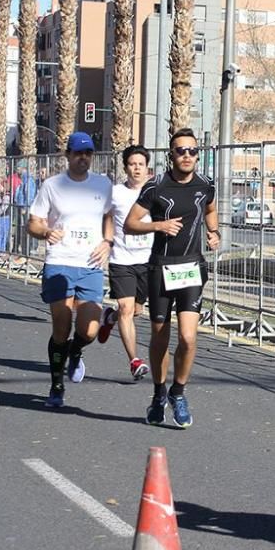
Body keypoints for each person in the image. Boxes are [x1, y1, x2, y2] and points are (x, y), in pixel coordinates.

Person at [125, 128, 219, 428]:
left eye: (192, 151)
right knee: (160, 338)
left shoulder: (206, 186)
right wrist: (159, 227)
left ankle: (178, 392)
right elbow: (130, 224)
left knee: (189, 338)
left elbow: (210, 209)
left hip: (191, 268)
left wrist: (214, 232)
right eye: (181, 151)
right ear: (171, 154)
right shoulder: (156, 187)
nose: (187, 156)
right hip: (160, 268)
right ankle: (158, 393)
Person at [27, 132, 114, 408]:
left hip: (90, 265)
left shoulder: (103, 184)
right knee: (61, 329)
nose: (83, 158)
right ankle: (56, 384)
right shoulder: (53, 185)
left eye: (88, 153)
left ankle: (76, 353)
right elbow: (34, 222)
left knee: (88, 330)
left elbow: (109, 216)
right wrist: (46, 232)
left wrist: (108, 242)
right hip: (60, 262)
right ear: (67, 155)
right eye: (78, 153)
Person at [99, 144, 153, 381]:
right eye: (132, 164)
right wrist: (108, 242)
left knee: (137, 310)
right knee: (127, 309)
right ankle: (134, 361)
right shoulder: (116, 193)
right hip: (121, 259)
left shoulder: (155, 192)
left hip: (148, 261)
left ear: (147, 168)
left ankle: (108, 318)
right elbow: (108, 217)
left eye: (140, 164)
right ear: (126, 168)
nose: (137, 169)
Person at [0, 177, 12, 255]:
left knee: (3, 234)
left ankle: (1, 250)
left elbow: (3, 208)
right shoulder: (0, 195)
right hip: (0, 217)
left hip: (4, 217)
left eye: (0, 186)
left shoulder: (7, 196)